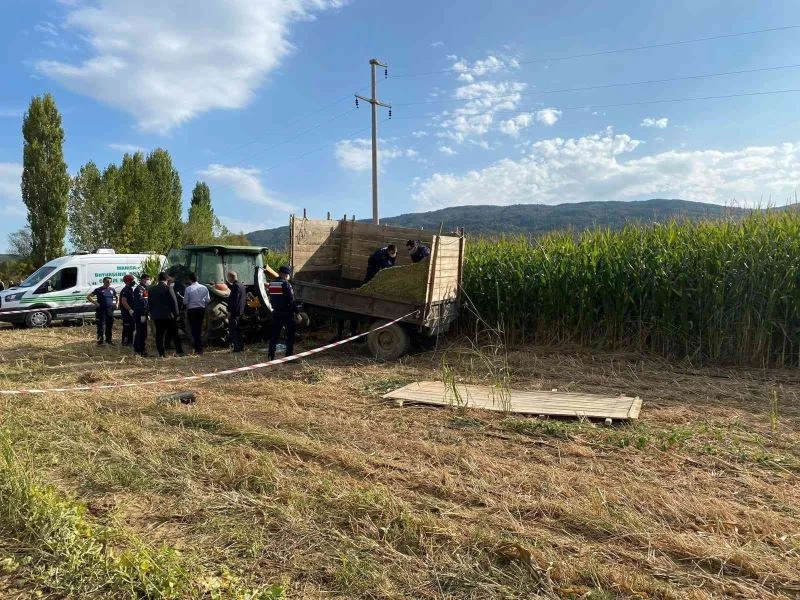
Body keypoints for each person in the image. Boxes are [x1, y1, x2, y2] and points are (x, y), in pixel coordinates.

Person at [149, 271, 184, 358]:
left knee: (159, 335)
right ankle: (179, 352)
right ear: (167, 279)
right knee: (174, 333)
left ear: (158, 279)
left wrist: (151, 313)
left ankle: (161, 354)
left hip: (156, 316)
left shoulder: (151, 289)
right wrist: (176, 314)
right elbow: (174, 302)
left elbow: (150, 303)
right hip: (168, 316)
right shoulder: (168, 288)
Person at [268, 265, 299, 361]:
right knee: (290, 335)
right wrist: (297, 312)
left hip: (276, 312)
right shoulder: (286, 284)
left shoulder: (273, 284)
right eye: (288, 274)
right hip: (286, 313)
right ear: (285, 275)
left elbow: (273, 299)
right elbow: (291, 300)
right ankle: (289, 357)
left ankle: (271, 356)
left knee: (274, 335)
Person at [183, 272, 210, 354]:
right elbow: (208, 300)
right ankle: (199, 346)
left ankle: (198, 348)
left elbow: (185, 302)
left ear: (190, 279)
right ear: (197, 278)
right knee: (199, 327)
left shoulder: (188, 289)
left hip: (192, 310)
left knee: (194, 329)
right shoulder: (204, 287)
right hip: (201, 310)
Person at [87, 276, 117, 345]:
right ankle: (100, 342)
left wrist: (117, 303)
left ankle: (109, 341)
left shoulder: (112, 289)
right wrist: (95, 302)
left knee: (109, 326)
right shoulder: (98, 290)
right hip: (101, 311)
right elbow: (88, 296)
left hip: (110, 310)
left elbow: (117, 296)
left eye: (110, 282)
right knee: (101, 326)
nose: (108, 283)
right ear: (103, 281)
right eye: (107, 282)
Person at [227, 271, 246, 352]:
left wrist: (230, 311)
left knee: (233, 330)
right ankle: (241, 346)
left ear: (231, 277)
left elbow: (234, 301)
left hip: (235, 312)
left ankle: (237, 348)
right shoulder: (241, 285)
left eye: (228, 277)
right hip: (240, 311)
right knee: (238, 330)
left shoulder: (236, 286)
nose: (228, 279)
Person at [132, 273, 151, 357]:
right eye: (147, 279)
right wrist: (144, 312)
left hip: (144, 313)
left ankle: (140, 349)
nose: (148, 281)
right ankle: (139, 350)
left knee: (143, 331)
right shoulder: (139, 289)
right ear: (143, 280)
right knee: (141, 331)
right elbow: (140, 302)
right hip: (140, 313)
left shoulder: (145, 288)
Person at [118, 274, 136, 346]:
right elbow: (123, 301)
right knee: (127, 328)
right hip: (127, 313)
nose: (133, 282)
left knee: (131, 327)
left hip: (130, 312)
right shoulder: (125, 290)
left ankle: (130, 342)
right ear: (128, 282)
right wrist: (130, 310)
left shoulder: (130, 289)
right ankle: (125, 343)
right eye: (132, 280)